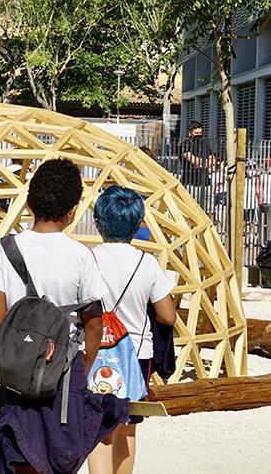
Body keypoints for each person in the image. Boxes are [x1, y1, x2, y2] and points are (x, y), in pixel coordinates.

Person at [0, 159, 126, 474]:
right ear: (72, 210)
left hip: (16, 377)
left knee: (18, 456)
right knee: (56, 459)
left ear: (28, 202)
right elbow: (94, 325)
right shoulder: (81, 256)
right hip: (62, 378)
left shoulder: (6, 250)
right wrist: (80, 370)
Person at [87, 186, 177, 474]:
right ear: (137, 225)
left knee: (99, 429)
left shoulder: (86, 260)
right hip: (136, 356)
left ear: (99, 223)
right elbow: (168, 315)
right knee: (127, 427)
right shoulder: (146, 264)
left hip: (92, 354)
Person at [180, 122, 215, 210]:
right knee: (191, 210)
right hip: (190, 182)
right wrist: (206, 162)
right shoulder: (185, 145)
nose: (199, 135)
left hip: (205, 182)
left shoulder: (205, 144)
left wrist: (200, 164)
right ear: (190, 133)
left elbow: (214, 161)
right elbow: (193, 161)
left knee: (209, 209)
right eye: (196, 133)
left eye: (200, 133)